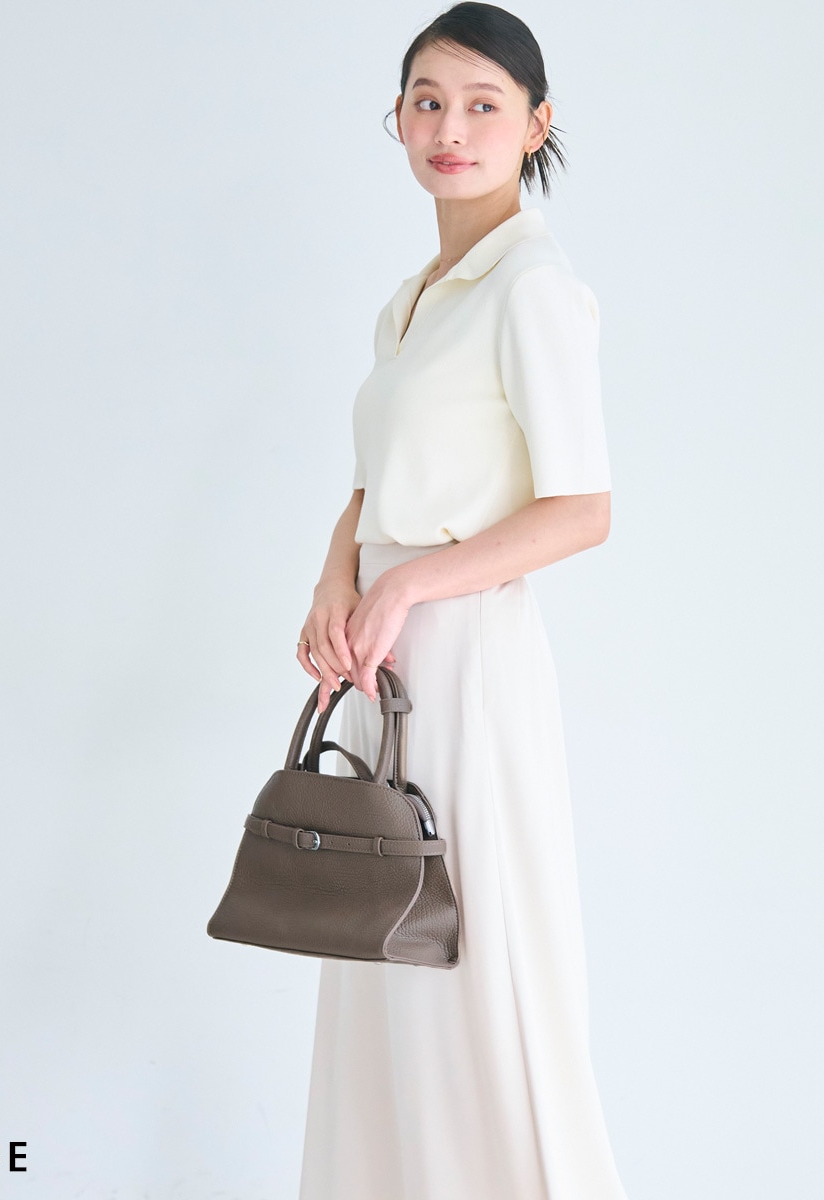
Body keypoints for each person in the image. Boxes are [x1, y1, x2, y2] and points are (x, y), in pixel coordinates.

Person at [293, 4, 629, 1199]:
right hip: (384, 658)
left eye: (484, 104)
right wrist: (335, 582)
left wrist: (407, 582)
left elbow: (581, 509)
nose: (451, 127)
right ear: (394, 118)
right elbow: (372, 486)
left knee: (473, 952)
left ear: (537, 124)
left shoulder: (530, 286)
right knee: (380, 938)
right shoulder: (413, 299)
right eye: (427, 101)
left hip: (467, 660)